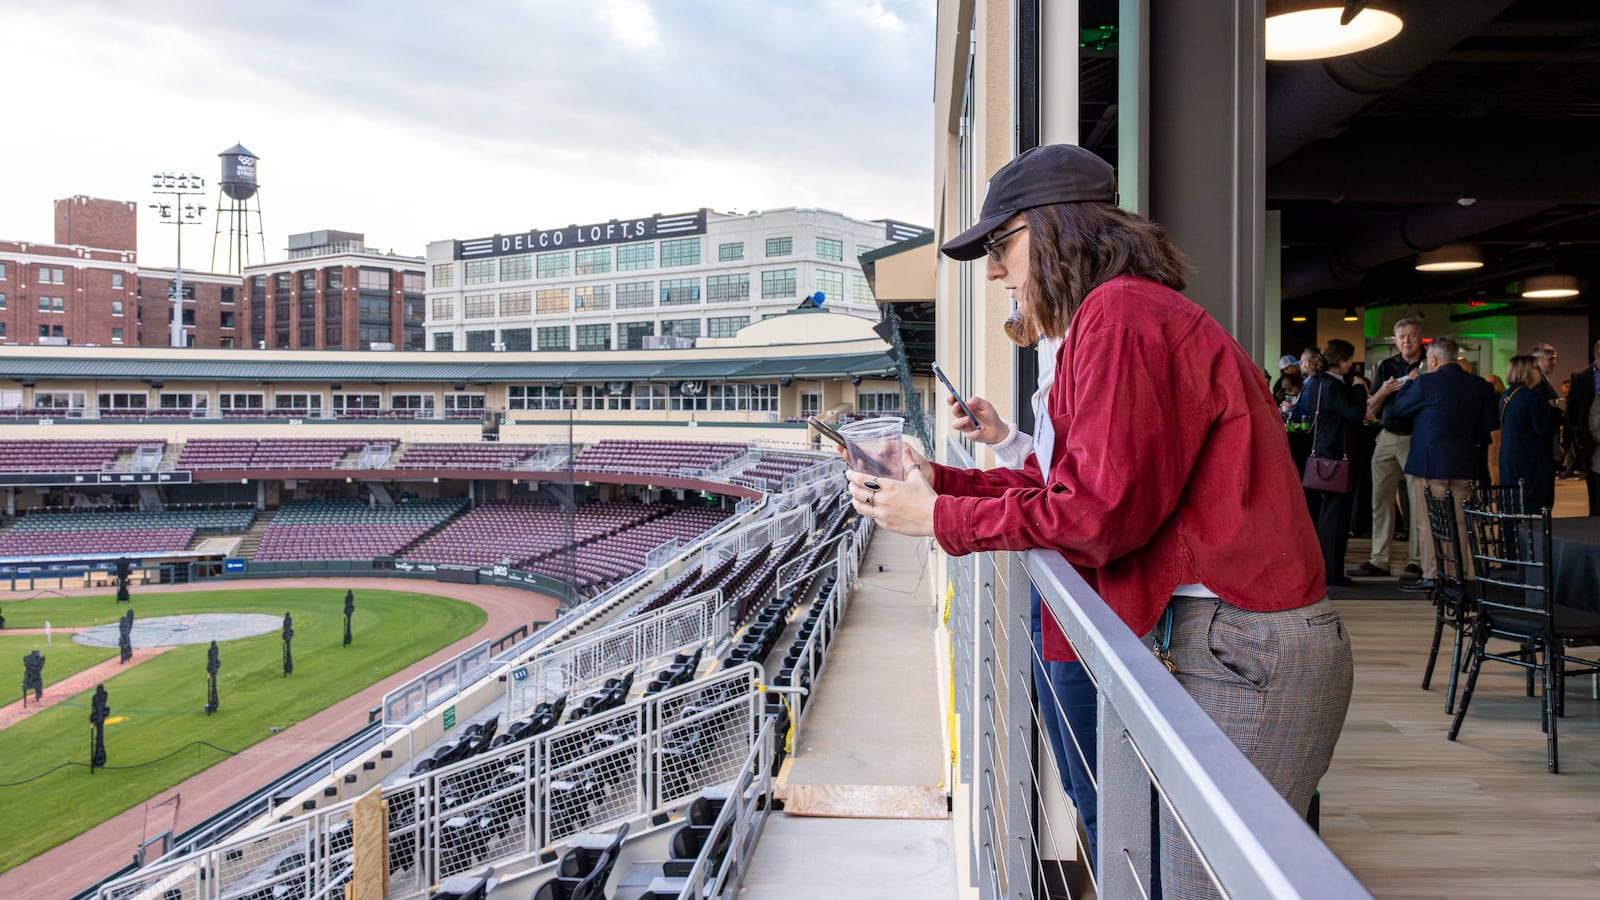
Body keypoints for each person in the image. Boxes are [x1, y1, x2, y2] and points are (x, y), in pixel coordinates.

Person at [848, 143, 1353, 898]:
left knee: (1189, 885)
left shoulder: (1119, 316)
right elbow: (1073, 483)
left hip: (1250, 646)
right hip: (1237, 642)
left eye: (1000, 244)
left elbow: (1098, 516)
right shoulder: (1117, 317)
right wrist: (941, 482)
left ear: (1057, 230)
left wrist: (943, 515)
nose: (993, 269)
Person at [1389, 337, 1498, 591]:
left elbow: (1399, 410)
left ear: (1434, 360)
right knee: (1460, 520)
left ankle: (1434, 574)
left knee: (1428, 522)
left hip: (1429, 464)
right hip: (1465, 463)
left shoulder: (1426, 382)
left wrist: (1410, 383)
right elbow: (1488, 426)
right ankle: (1463, 572)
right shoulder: (1481, 386)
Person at [1351, 318, 1424, 579]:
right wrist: (1383, 390)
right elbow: (1372, 407)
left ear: (1420, 337)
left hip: (1417, 438)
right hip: (1387, 436)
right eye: (1402, 336)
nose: (1406, 340)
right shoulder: (1387, 365)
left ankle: (1416, 560)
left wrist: (1413, 384)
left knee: (1417, 503)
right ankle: (1379, 559)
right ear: (1395, 340)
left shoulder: (1429, 364)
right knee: (1379, 500)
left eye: (1412, 335)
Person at [1301, 340, 1367, 588]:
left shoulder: (1316, 382)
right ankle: (1332, 572)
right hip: (1336, 456)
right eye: (1349, 360)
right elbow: (1354, 413)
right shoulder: (1333, 385)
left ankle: (1329, 569)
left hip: (1323, 455)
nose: (1351, 365)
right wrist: (1360, 389)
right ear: (1340, 361)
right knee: (1335, 518)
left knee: (1329, 515)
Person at [1498, 356, 1556, 513]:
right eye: (1537, 368)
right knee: (1533, 507)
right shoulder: (1532, 397)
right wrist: (1556, 411)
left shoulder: (1507, 395)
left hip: (1510, 458)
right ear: (1527, 371)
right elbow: (1543, 430)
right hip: (1530, 461)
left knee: (1513, 505)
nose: (1541, 372)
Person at [1567, 338, 1600, 515]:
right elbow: (1572, 408)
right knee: (1593, 483)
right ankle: (1594, 517)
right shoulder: (1581, 377)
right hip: (1589, 438)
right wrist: (1578, 433)